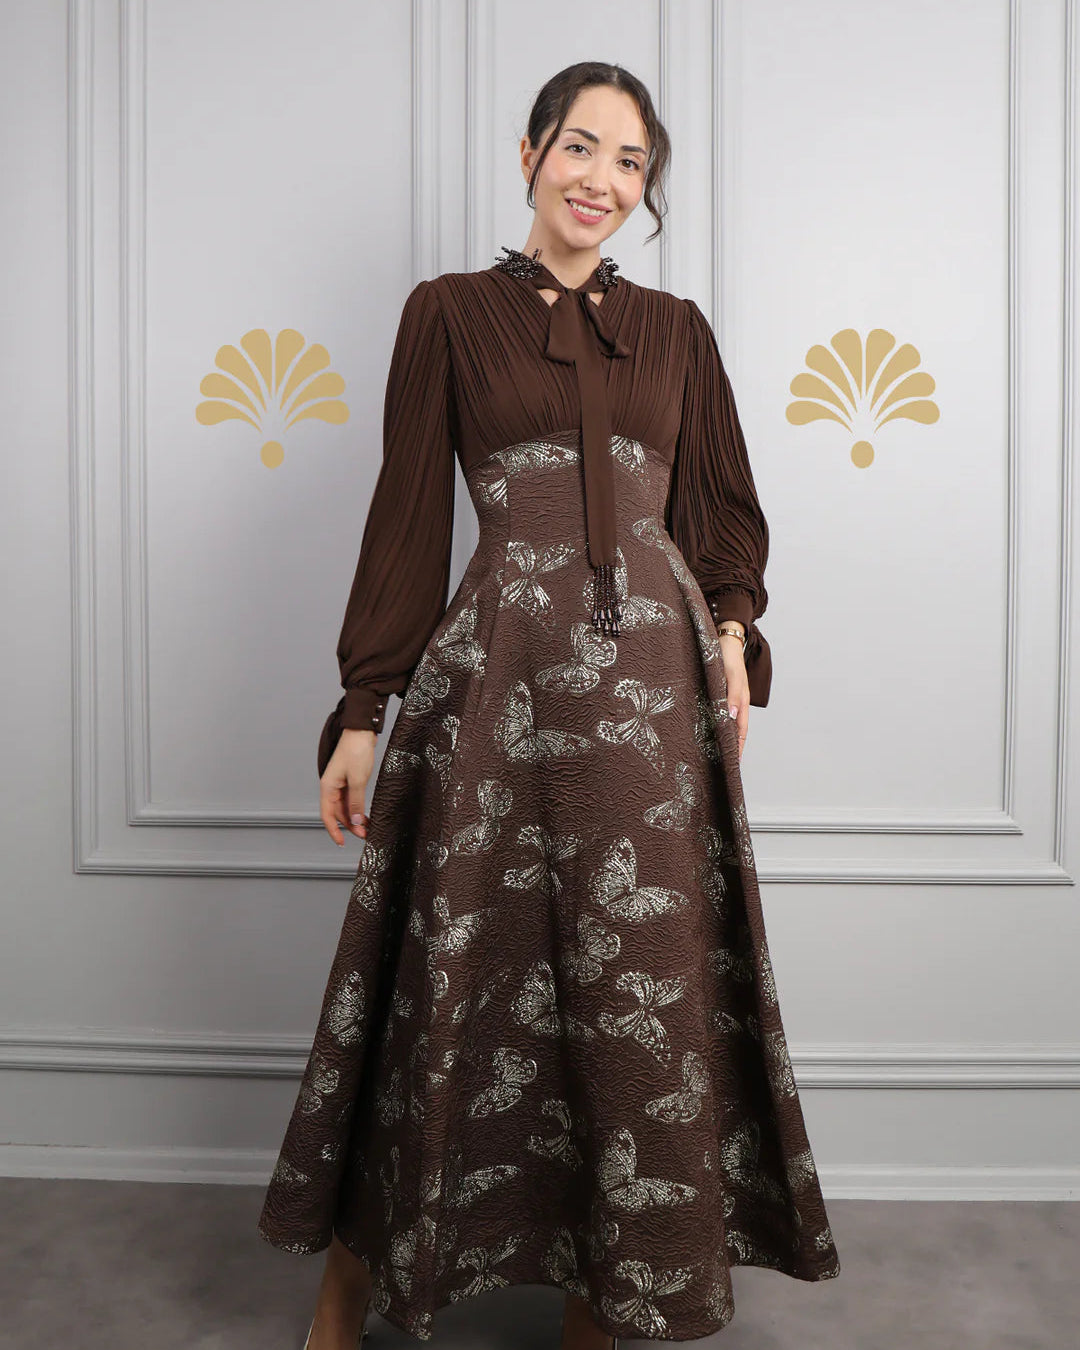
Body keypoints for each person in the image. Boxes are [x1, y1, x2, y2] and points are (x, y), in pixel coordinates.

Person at [258, 60, 840, 1350]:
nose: (603, 181)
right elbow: (408, 516)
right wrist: (362, 708)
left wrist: (732, 634)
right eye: (581, 147)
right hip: (497, 692)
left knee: (636, 995)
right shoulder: (449, 315)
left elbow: (722, 505)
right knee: (446, 982)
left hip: (653, 704)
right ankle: (353, 1285)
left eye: (632, 163)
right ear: (531, 156)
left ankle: (601, 1301)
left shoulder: (677, 329)